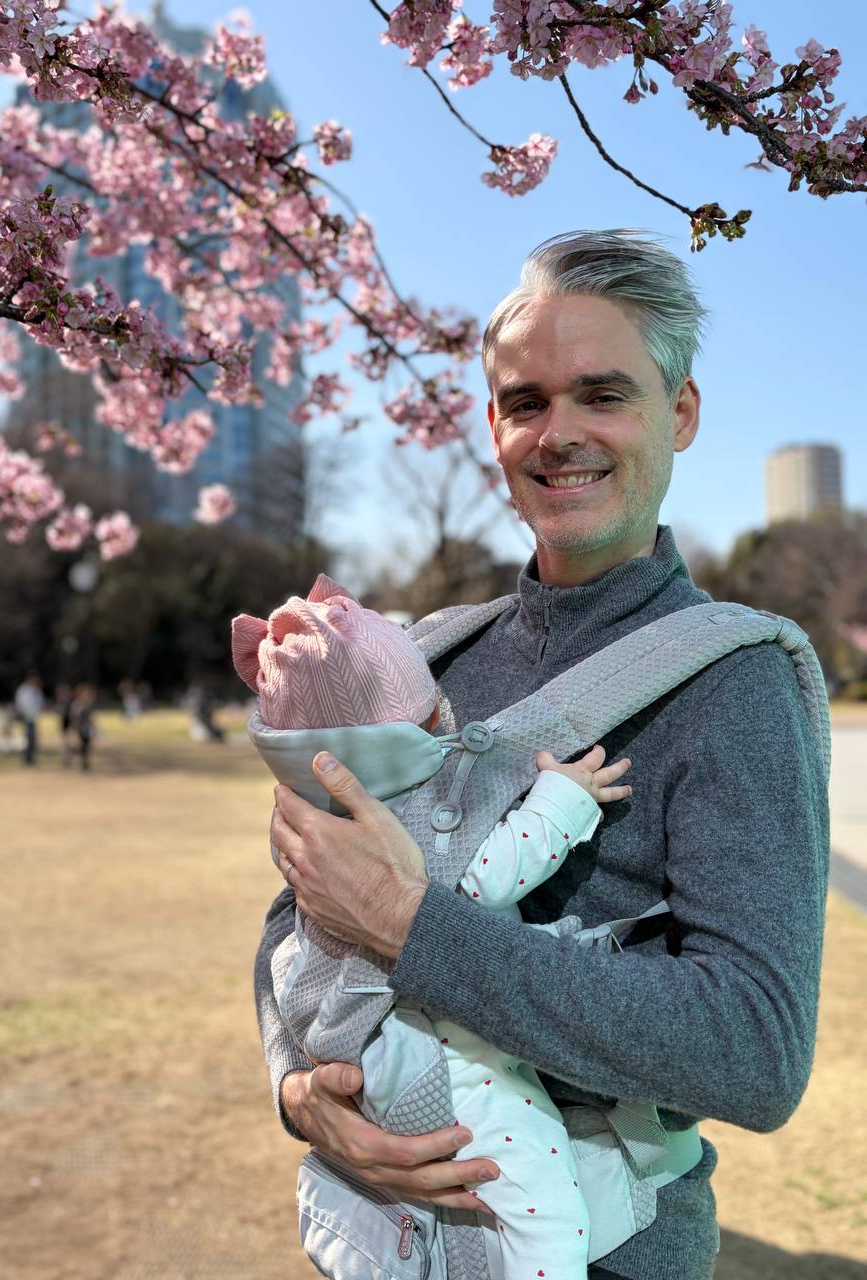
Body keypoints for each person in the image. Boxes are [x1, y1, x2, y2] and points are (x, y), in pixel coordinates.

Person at [255, 231, 830, 1279]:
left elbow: (756, 1050)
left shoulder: (734, 680)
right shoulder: (427, 656)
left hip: (601, 1250)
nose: (559, 433)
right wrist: (301, 1092)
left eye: (602, 394)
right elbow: (298, 921)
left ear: (681, 413)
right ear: (493, 426)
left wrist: (407, 925)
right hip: (377, 1238)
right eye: (527, 402)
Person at [234, 575, 634, 1278]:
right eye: (430, 716)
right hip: (444, 1058)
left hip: (384, 1049)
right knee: (549, 1222)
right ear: (398, 737)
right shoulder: (402, 810)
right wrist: (564, 802)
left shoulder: (315, 808)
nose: (448, 720)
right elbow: (478, 885)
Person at [14, 673, 44, 767]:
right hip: (26, 717)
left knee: (33, 739)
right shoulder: (24, 690)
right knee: (27, 739)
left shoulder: (37, 691)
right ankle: (26, 759)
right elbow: (21, 704)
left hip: (33, 718)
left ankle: (31, 759)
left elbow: (40, 703)